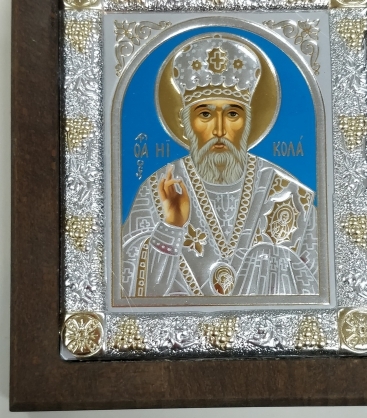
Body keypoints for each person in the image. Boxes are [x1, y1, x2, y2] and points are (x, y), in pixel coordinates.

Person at [121, 34, 318, 298]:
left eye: (232, 114)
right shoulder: (159, 190)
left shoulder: (286, 193)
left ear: (248, 123)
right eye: (205, 114)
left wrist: (273, 262)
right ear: (184, 123)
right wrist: (171, 227)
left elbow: (317, 282)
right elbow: (129, 288)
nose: (220, 130)